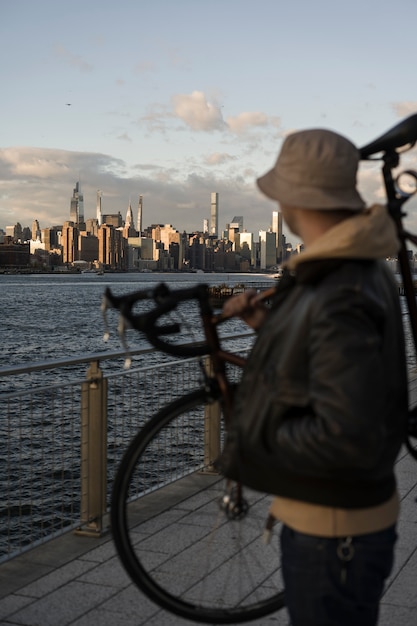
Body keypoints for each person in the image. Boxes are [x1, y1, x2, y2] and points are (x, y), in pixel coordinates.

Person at [222, 129, 409, 625]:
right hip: (341, 517)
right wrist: (268, 329)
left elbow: (345, 436)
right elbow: (331, 368)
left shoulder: (338, 287)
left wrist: (256, 433)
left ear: (296, 197)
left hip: (334, 531)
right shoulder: (356, 269)